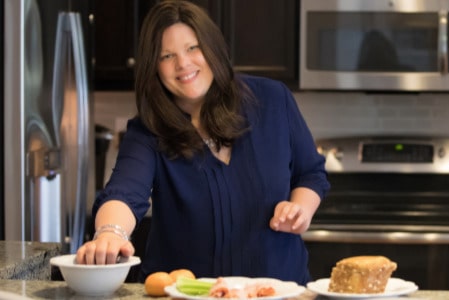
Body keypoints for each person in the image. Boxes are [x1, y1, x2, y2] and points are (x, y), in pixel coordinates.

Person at [75, 0, 330, 285]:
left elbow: (311, 173)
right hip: (183, 293)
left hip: (279, 291)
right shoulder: (149, 130)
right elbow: (123, 192)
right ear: (154, 68)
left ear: (213, 48)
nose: (183, 64)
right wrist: (111, 233)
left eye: (192, 48)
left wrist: (300, 209)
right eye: (166, 56)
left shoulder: (272, 100)